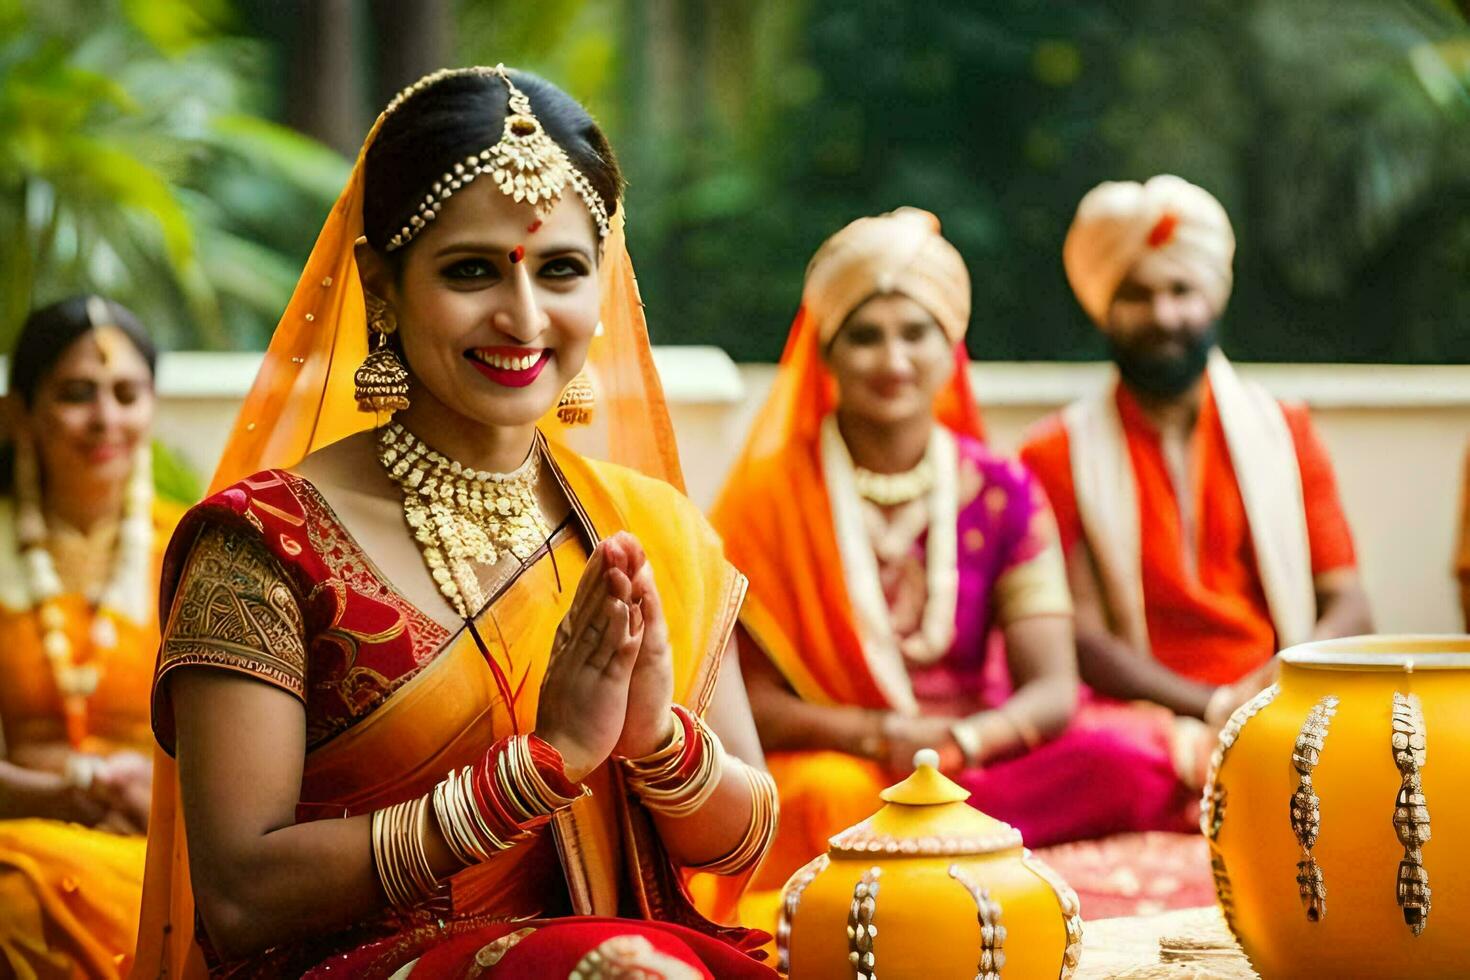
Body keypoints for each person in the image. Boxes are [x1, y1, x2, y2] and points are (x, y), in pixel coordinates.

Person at [131, 66, 777, 978]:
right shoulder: (264, 546)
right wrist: (534, 771)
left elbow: (744, 842)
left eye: (561, 271)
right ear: (381, 286)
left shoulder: (647, 528)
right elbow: (238, 897)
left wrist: (655, 743)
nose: (522, 317)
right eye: (471, 271)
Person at [714, 208, 1203, 896]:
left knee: (1128, 760)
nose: (894, 361)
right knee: (830, 799)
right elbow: (746, 702)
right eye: (865, 337)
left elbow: (1054, 688)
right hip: (848, 758)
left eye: (917, 333)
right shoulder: (767, 498)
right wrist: (880, 733)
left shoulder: (1001, 490)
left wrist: (964, 744)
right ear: (824, 352)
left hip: (975, 754)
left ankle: (941, 831)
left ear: (952, 350)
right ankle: (943, 839)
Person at [1020, 175, 1372, 792]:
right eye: (1136, 294)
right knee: (1111, 757)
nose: (1163, 316)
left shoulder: (1285, 432)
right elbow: (1081, 636)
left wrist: (1277, 684)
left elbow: (1349, 602)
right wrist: (1210, 706)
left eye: (1181, 290)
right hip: (1143, 719)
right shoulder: (1055, 454)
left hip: (1279, 697)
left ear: (1212, 297)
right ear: (1104, 306)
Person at [0, 296, 181, 979]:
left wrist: (169, 799)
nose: (106, 419)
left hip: (152, 847)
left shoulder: (191, 544)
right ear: (19, 414)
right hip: (13, 838)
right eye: (78, 394)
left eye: (126, 394)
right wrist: (56, 796)